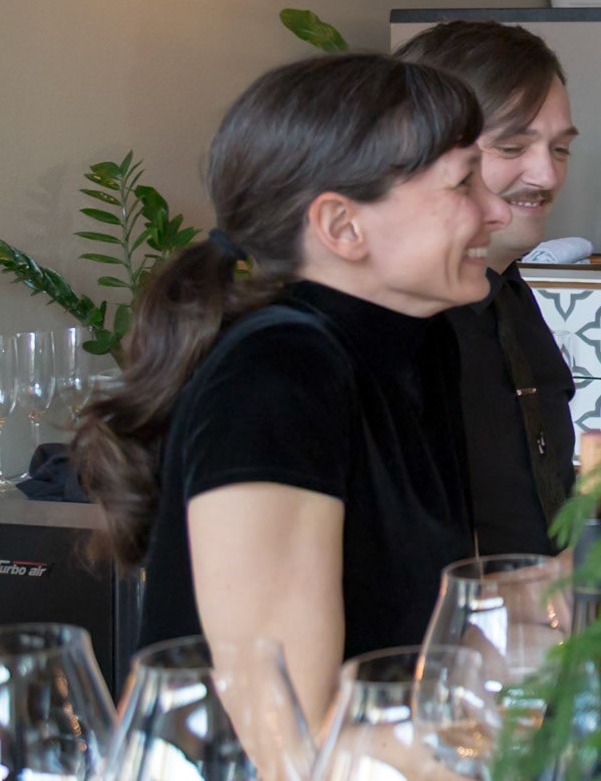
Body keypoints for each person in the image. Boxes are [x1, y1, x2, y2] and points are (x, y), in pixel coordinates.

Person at [74, 53, 511, 723]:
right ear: (341, 226)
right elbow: (289, 733)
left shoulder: (422, 345)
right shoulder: (277, 373)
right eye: (463, 183)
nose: (496, 210)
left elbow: (435, 640)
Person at [397, 21, 579, 555]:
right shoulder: (402, 326)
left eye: (560, 149)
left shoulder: (507, 291)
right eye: (512, 146)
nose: (547, 176)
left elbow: (528, 500)